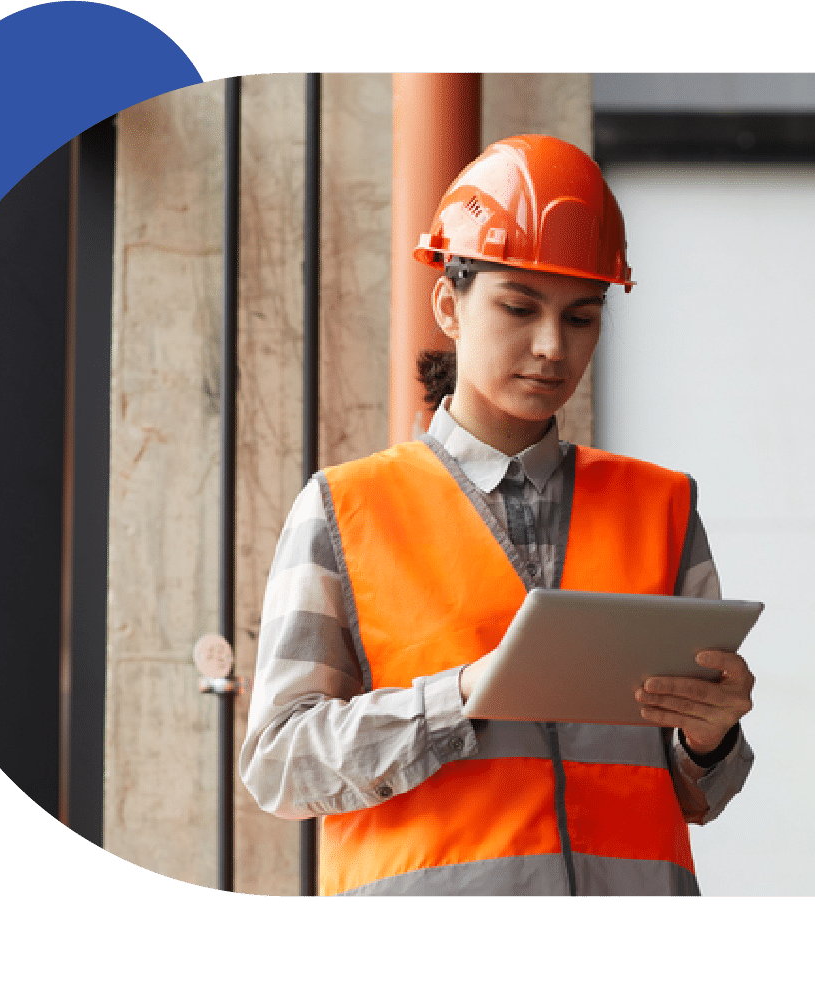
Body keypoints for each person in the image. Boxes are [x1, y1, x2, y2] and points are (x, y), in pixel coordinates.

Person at [239, 134, 755, 896]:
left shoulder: (665, 507)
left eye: (582, 317)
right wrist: (461, 696)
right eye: (519, 307)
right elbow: (281, 765)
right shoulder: (346, 509)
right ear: (449, 303)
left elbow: (699, 792)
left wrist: (711, 740)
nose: (553, 347)